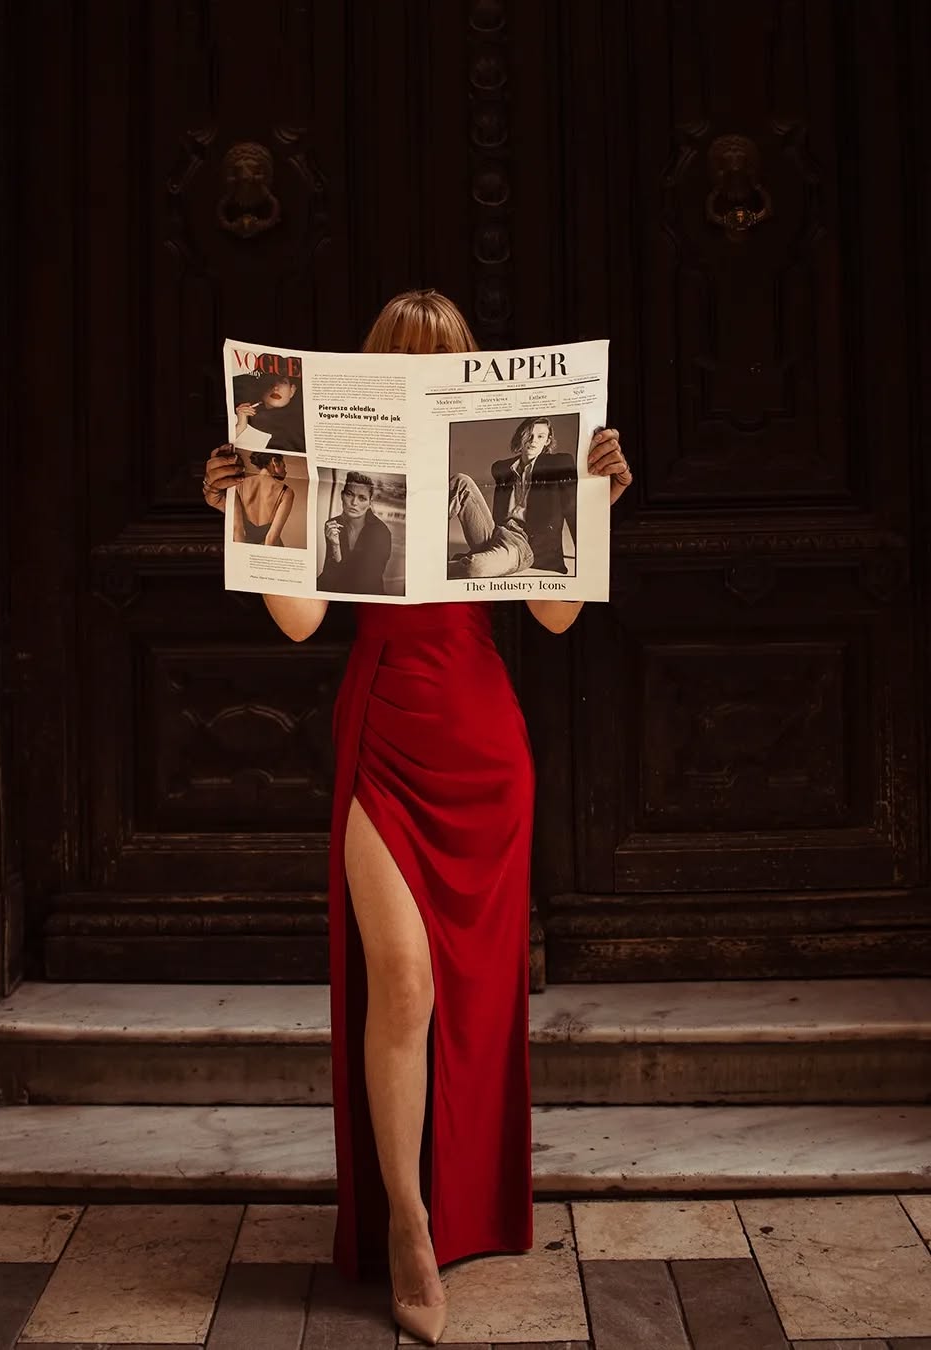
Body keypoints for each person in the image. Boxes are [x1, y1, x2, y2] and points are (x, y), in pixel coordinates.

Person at [202, 289, 632, 1346]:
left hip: (484, 739)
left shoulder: (501, 462)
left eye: (442, 354)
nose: (422, 363)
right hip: (382, 730)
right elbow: (303, 621)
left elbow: (555, 612)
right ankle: (407, 1223)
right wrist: (244, 509)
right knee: (400, 979)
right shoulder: (323, 458)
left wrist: (594, 496)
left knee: (475, 995)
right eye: (402, 355)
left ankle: (465, 1203)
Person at [447, 416, 578, 577]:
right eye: (528, 434)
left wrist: (585, 556)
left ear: (547, 441)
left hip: (521, 544)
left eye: (540, 436)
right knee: (461, 481)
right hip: (494, 532)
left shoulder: (557, 464)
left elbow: (572, 510)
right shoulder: (503, 468)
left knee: (475, 567)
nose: (533, 440)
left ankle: (436, 568)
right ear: (520, 436)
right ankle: (429, 533)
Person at [317, 471, 393, 593]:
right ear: (342, 495)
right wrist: (335, 546)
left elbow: (367, 581)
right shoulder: (332, 525)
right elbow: (329, 571)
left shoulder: (381, 532)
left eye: (362, 498)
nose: (354, 503)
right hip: (336, 590)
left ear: (370, 502)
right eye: (349, 494)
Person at [233, 369, 306, 453]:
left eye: (282, 382)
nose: (275, 388)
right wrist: (239, 426)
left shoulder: (296, 429)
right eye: (270, 381)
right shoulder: (244, 412)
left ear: (292, 390)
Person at [233, 450, 295, 546]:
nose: (285, 471)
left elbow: (237, 529)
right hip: (272, 548)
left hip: (246, 546)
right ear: (274, 461)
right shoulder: (287, 492)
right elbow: (272, 537)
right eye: (284, 466)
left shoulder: (238, 484)